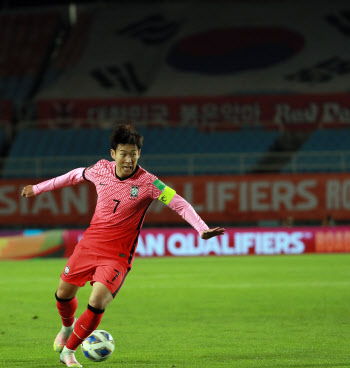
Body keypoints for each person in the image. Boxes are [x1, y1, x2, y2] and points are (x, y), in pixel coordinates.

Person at [21, 124, 225, 368]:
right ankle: (67, 327)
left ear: (139, 154)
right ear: (113, 154)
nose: (129, 159)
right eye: (124, 153)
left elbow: (179, 203)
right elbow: (74, 175)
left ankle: (69, 352)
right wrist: (38, 188)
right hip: (88, 246)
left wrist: (201, 228)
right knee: (63, 295)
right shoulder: (100, 169)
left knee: (97, 302)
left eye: (134, 154)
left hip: (116, 256)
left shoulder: (150, 183)